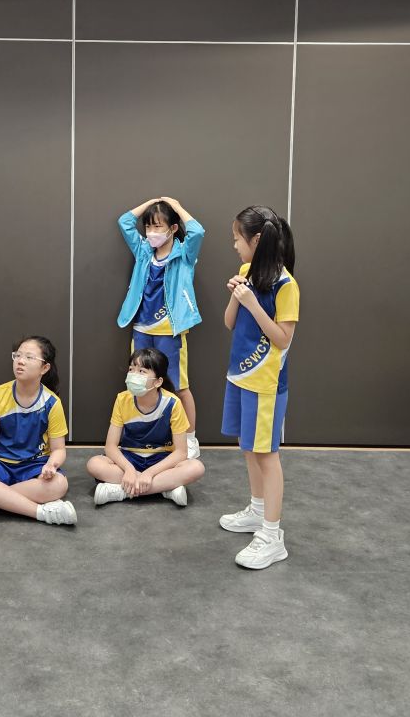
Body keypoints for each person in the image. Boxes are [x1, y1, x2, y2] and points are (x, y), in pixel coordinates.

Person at [219, 205, 299, 570]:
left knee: (267, 455)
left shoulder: (287, 285)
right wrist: (237, 296)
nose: (234, 245)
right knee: (248, 447)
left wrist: (252, 303)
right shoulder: (245, 272)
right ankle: (256, 510)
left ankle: (272, 536)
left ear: (256, 240)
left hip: (266, 384)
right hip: (240, 376)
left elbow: (282, 339)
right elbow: (229, 323)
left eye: (237, 238)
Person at [117, 197, 205, 458]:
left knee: (178, 385)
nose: (151, 232)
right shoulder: (144, 251)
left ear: (173, 228)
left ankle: (189, 439)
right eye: (148, 227)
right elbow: (125, 222)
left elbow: (198, 231)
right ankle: (137, 437)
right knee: (137, 383)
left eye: (158, 226)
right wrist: (151, 203)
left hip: (170, 329)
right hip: (142, 328)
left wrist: (175, 206)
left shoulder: (184, 254)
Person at [0, 336, 77, 526]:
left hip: (34, 466)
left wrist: (51, 465)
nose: (20, 361)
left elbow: (59, 450)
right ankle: (41, 512)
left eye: (29, 357)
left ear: (44, 368)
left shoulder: (52, 403)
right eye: (18, 355)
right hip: (1, 465)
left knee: (59, 484)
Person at [86, 347, 205, 506]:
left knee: (196, 467)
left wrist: (149, 473)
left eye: (142, 371)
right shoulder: (122, 399)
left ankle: (122, 491)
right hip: (130, 457)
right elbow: (111, 447)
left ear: (158, 382)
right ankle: (165, 488)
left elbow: (181, 453)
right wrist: (129, 470)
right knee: (94, 464)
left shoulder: (173, 403)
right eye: (131, 369)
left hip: (161, 460)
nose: (134, 375)